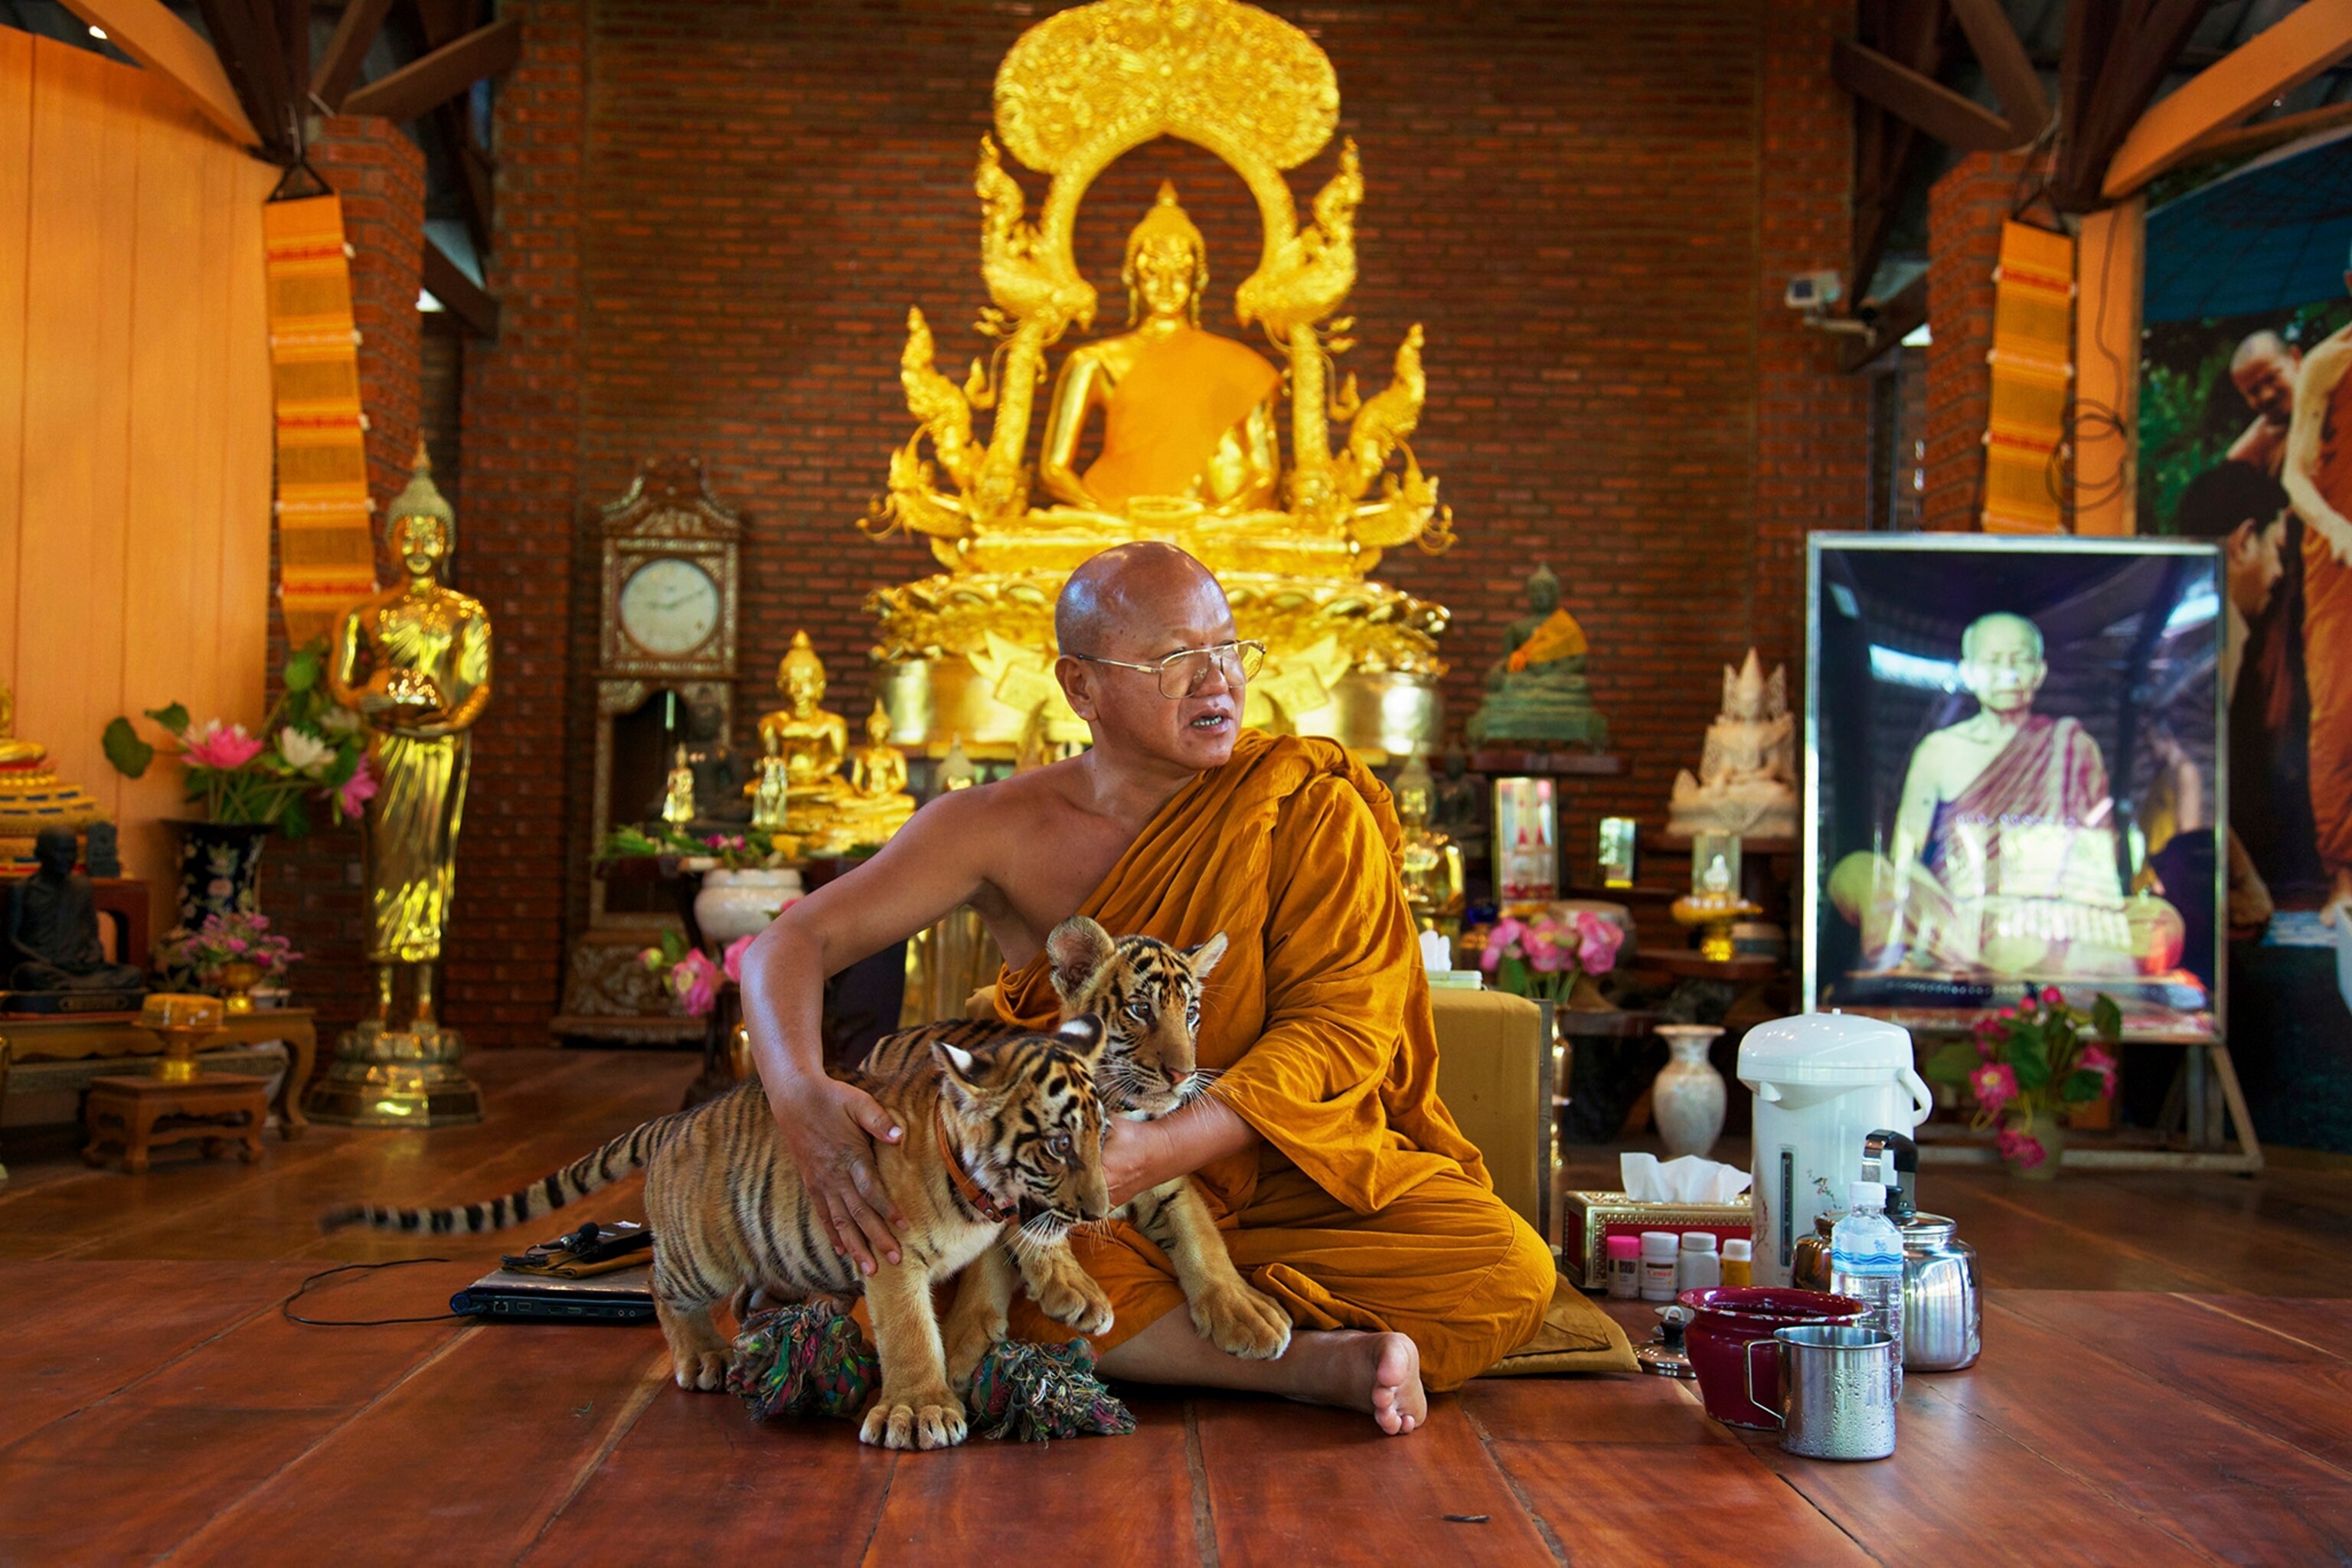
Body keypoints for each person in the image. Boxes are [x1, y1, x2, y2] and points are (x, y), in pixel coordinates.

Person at [740, 542, 1553, 1436]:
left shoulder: (1307, 803)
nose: (1218, 682)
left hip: (1291, 1169)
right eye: (1175, 659)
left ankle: (1192, 1327)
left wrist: (1162, 1148)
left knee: (1506, 1268)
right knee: (995, 1264)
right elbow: (795, 939)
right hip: (1091, 1190)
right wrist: (799, 1094)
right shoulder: (996, 830)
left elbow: (1339, 1030)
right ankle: (1314, 1365)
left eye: (1229, 650)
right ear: (1080, 685)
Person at [1877, 612, 2136, 978]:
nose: (2007, 673)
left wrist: (2089, 915)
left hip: (2051, 918)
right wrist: (1950, 917)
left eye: (2020, 660)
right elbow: (1905, 859)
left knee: (2154, 928)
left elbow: (2098, 857)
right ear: (1968, 672)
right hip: (1963, 916)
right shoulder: (1939, 751)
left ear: (2039, 673)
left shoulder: (2073, 746)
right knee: (1860, 877)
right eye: (1993, 661)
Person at [2280, 270, 2352, 926]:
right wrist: (2334, 526)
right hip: (2343, 559)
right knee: (2340, 714)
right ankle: (2344, 876)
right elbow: (2295, 475)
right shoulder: (2331, 363)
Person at [2227, 330, 2301, 478]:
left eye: (2272, 378)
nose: (2267, 396)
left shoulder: (2339, 385)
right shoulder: (2249, 457)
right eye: (2254, 391)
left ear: (2295, 358)